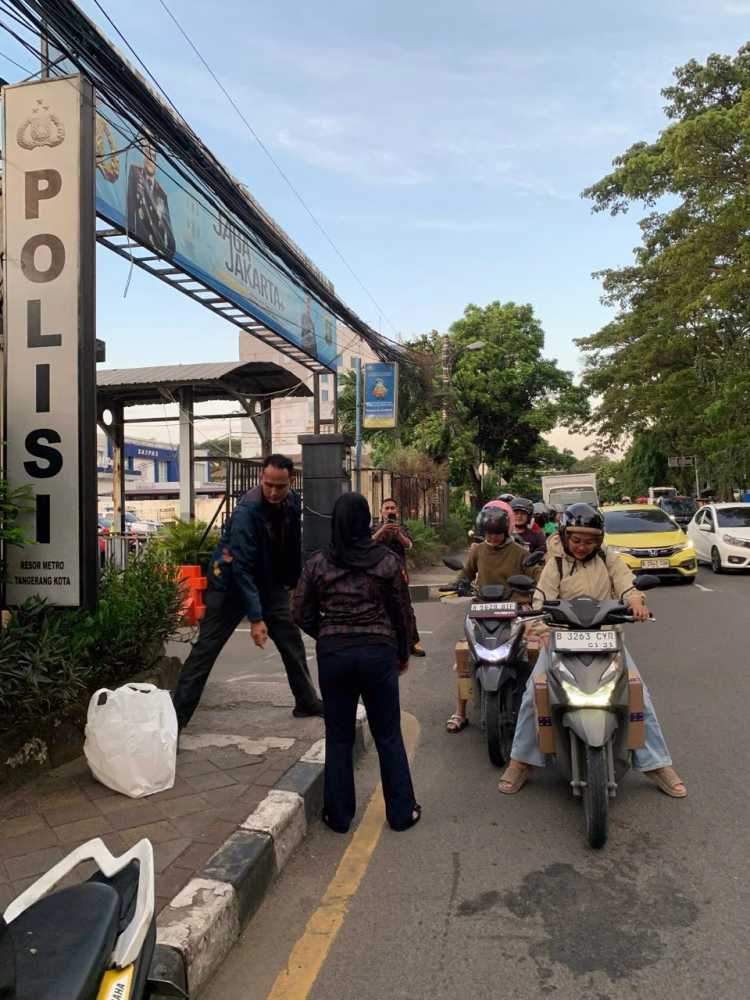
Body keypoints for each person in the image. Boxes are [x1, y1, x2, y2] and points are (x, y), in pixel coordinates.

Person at [498, 503, 686, 797]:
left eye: (590, 541)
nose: (583, 546)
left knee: (639, 695)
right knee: (532, 695)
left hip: (606, 638)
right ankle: (521, 761)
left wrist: (635, 601)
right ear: (565, 536)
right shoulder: (556, 563)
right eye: (576, 540)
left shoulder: (608, 558)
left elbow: (626, 584)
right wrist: (546, 636)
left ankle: (657, 764)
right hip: (561, 640)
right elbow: (540, 602)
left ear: (599, 540)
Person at [292, 493, 420, 833]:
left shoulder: (318, 562)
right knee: (388, 735)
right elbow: (402, 611)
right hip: (378, 654)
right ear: (366, 521)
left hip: (334, 657)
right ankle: (401, 813)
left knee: (338, 737)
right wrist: (403, 653)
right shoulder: (387, 560)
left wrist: (329, 635)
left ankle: (338, 816)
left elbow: (299, 611)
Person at [172, 454, 323, 731]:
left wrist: (299, 583)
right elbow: (241, 568)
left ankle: (306, 701)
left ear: (291, 482)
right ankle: (173, 725)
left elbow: (290, 546)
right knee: (205, 652)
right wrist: (255, 618)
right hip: (229, 585)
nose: (274, 492)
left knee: (291, 641)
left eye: (281, 486)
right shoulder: (247, 511)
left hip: (268, 583)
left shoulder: (292, 502)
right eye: (269, 485)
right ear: (260, 480)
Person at [446, 506, 542, 733]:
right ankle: (460, 712)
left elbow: (538, 576)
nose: (492, 539)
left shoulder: (520, 552)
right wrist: (454, 587)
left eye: (496, 535)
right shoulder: (479, 551)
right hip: (483, 610)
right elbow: (466, 573)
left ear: (506, 531)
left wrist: (537, 592)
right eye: (488, 535)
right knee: (465, 656)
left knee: (534, 654)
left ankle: (539, 710)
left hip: (516, 611)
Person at [371, 498, 425, 656]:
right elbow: (366, 544)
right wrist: (383, 530)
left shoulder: (402, 528)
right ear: (381, 512)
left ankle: (413, 643)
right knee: (380, 609)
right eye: (386, 508)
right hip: (378, 575)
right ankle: (385, 643)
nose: (389, 511)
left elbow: (409, 545)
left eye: (392, 508)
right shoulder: (374, 529)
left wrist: (397, 533)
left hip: (399, 574)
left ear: (397, 511)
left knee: (406, 608)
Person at [127, 136, 175, 258]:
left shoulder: (162, 194)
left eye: (153, 157)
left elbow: (168, 229)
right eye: (148, 155)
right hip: (138, 242)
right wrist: (130, 232)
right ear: (143, 155)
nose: (150, 160)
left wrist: (168, 253)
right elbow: (130, 206)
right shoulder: (135, 172)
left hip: (156, 248)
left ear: (157, 162)